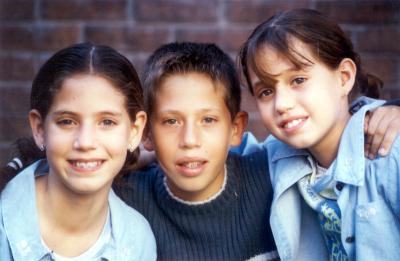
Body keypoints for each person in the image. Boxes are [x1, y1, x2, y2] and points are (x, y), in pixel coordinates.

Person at [238, 9, 400, 260]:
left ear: (344, 77)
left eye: (298, 80)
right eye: (266, 92)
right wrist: (153, 151)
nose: (281, 104)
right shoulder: (276, 157)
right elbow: (218, 150)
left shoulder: (390, 150)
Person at [0, 43, 156, 260]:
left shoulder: (137, 240)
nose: (85, 142)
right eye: (67, 122)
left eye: (107, 122)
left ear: (134, 131)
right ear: (39, 129)